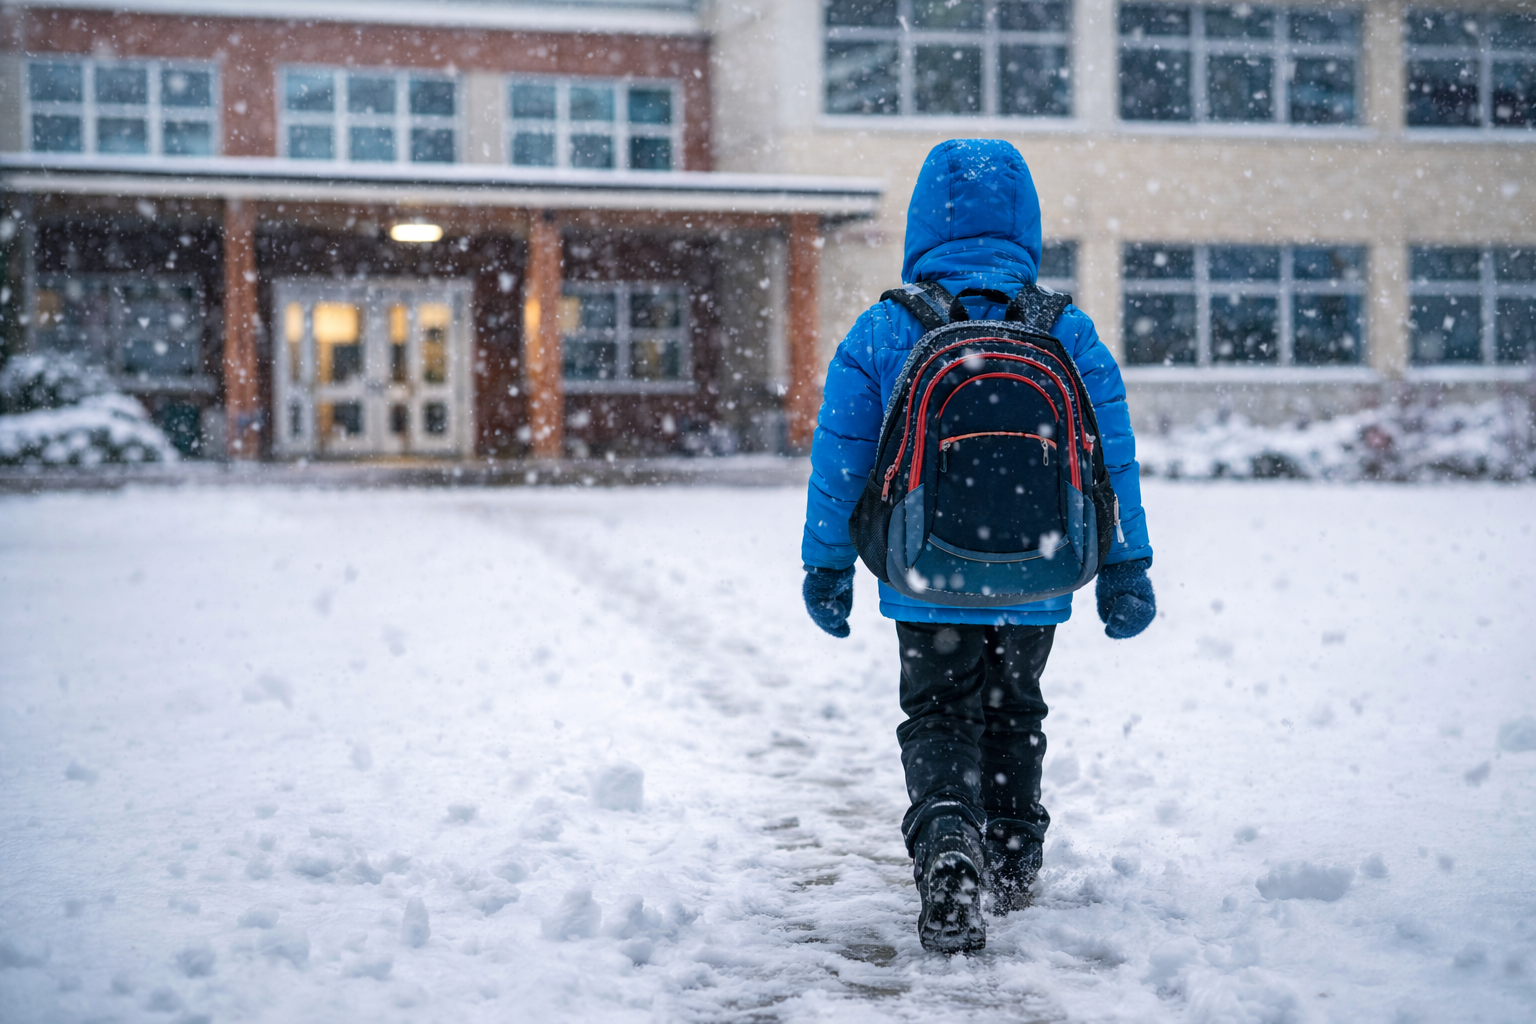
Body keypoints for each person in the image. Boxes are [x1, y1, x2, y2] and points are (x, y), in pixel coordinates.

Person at [799, 139, 1155, 953]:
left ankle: (948, 840)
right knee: (1014, 709)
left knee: (937, 713)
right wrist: (1126, 563)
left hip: (926, 571)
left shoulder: (888, 327)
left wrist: (825, 563)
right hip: (1038, 566)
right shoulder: (1064, 328)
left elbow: (840, 458)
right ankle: (1014, 852)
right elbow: (1115, 457)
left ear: (923, 226)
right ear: (1025, 225)